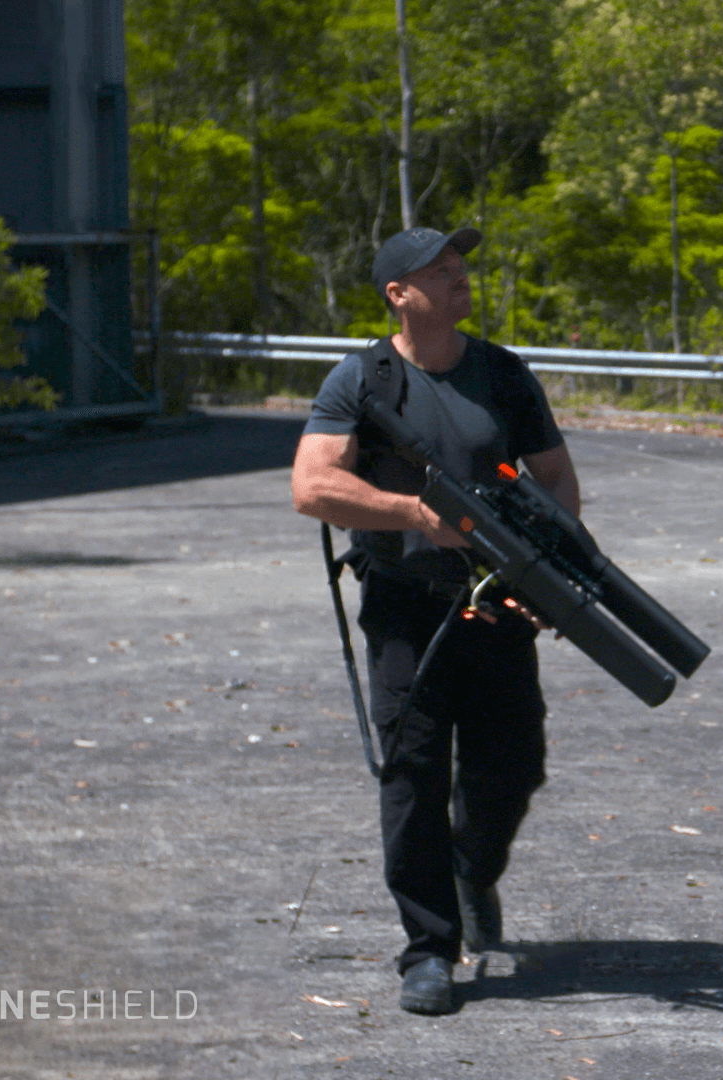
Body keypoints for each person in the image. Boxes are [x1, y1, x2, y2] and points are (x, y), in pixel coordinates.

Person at [290, 226, 580, 1015]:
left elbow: (556, 481)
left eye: (461, 268)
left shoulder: (504, 375)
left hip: (498, 606)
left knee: (512, 767)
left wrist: (548, 577)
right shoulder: (363, 380)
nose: (460, 279)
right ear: (398, 293)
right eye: (440, 272)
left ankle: (471, 870)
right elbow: (312, 485)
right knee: (414, 775)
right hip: (405, 608)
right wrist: (413, 513)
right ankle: (427, 948)